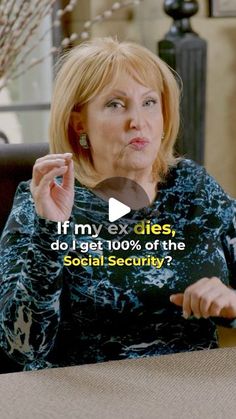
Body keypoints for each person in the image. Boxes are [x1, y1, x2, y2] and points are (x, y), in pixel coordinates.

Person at [0, 37, 235, 372]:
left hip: (190, 388)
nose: (137, 121)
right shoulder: (40, 201)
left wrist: (232, 303)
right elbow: (20, 346)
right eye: (115, 104)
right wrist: (50, 232)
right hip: (84, 397)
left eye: (150, 102)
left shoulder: (193, 188)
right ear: (78, 122)